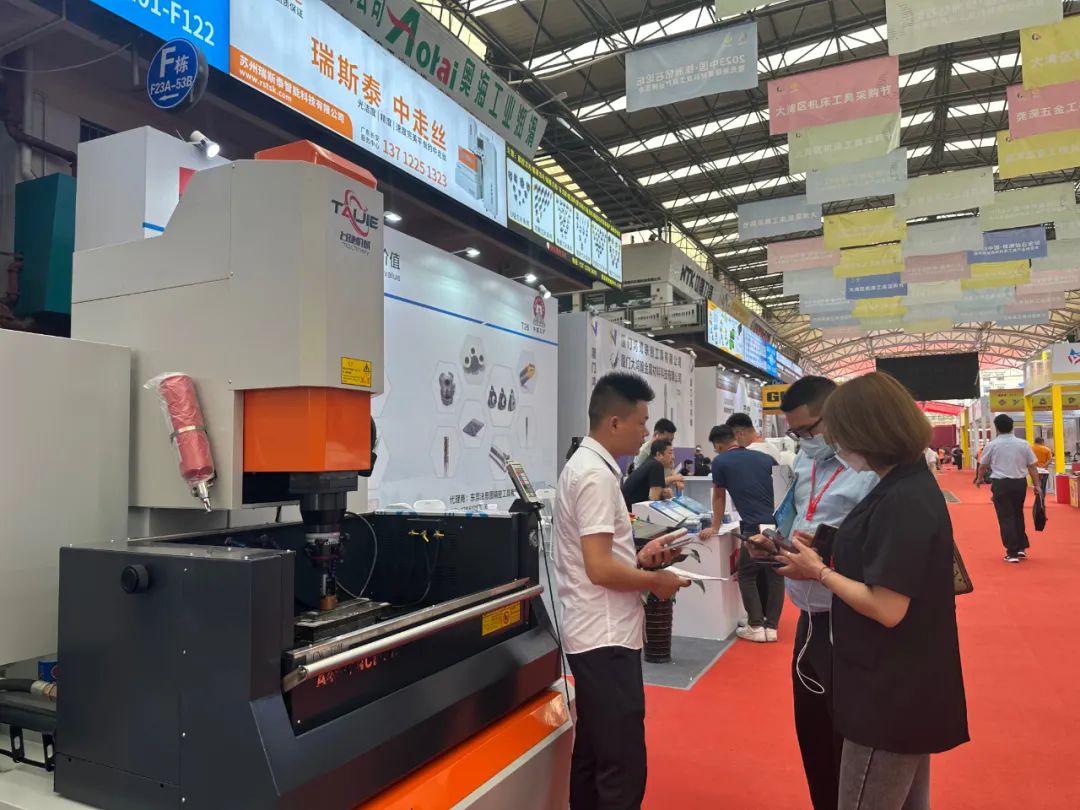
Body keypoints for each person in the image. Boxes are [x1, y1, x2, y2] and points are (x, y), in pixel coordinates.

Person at [777, 372, 969, 810]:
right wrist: (823, 546)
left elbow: (887, 606)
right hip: (891, 675)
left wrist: (819, 572)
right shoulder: (902, 485)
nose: (834, 443)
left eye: (838, 431)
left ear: (869, 431)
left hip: (888, 689)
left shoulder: (900, 497)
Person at [554, 372, 690, 809]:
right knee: (621, 762)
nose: (647, 433)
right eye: (641, 422)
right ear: (614, 422)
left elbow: (600, 557)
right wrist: (656, 581)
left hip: (595, 630)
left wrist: (640, 558)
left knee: (595, 750)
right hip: (605, 635)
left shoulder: (588, 468)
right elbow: (598, 568)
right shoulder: (595, 476)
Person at [749, 376, 878, 810]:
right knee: (814, 736)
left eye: (809, 429)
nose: (804, 440)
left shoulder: (871, 467)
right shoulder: (806, 461)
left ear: (838, 413)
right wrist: (776, 544)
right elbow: (797, 519)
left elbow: (881, 549)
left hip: (852, 620)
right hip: (808, 620)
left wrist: (823, 562)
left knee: (852, 746)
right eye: (796, 433)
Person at [701, 424, 783, 643]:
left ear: (718, 445)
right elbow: (782, 489)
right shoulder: (765, 458)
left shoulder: (720, 462)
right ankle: (771, 627)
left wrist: (715, 527)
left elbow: (719, 496)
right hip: (776, 524)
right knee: (775, 575)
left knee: (747, 574)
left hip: (752, 526)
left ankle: (755, 625)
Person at [977, 414, 1042, 563]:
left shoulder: (992, 445)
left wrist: (979, 479)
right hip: (1019, 483)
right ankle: (1021, 548)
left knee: (1006, 517)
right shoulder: (1024, 444)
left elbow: (983, 465)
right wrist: (1037, 485)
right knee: (1018, 513)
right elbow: (1032, 466)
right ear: (1012, 427)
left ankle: (1012, 552)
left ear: (997, 428)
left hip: (1001, 484)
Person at [633, 418, 684, 493]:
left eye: (671, 440)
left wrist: (677, 480)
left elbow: (670, 468)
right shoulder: (642, 452)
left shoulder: (667, 449)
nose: (669, 443)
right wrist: (673, 478)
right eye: (666, 439)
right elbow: (641, 482)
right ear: (656, 434)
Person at [622, 439, 676, 509]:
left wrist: (663, 494)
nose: (673, 457)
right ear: (659, 454)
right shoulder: (656, 465)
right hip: (631, 512)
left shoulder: (649, 463)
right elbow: (654, 502)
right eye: (670, 453)